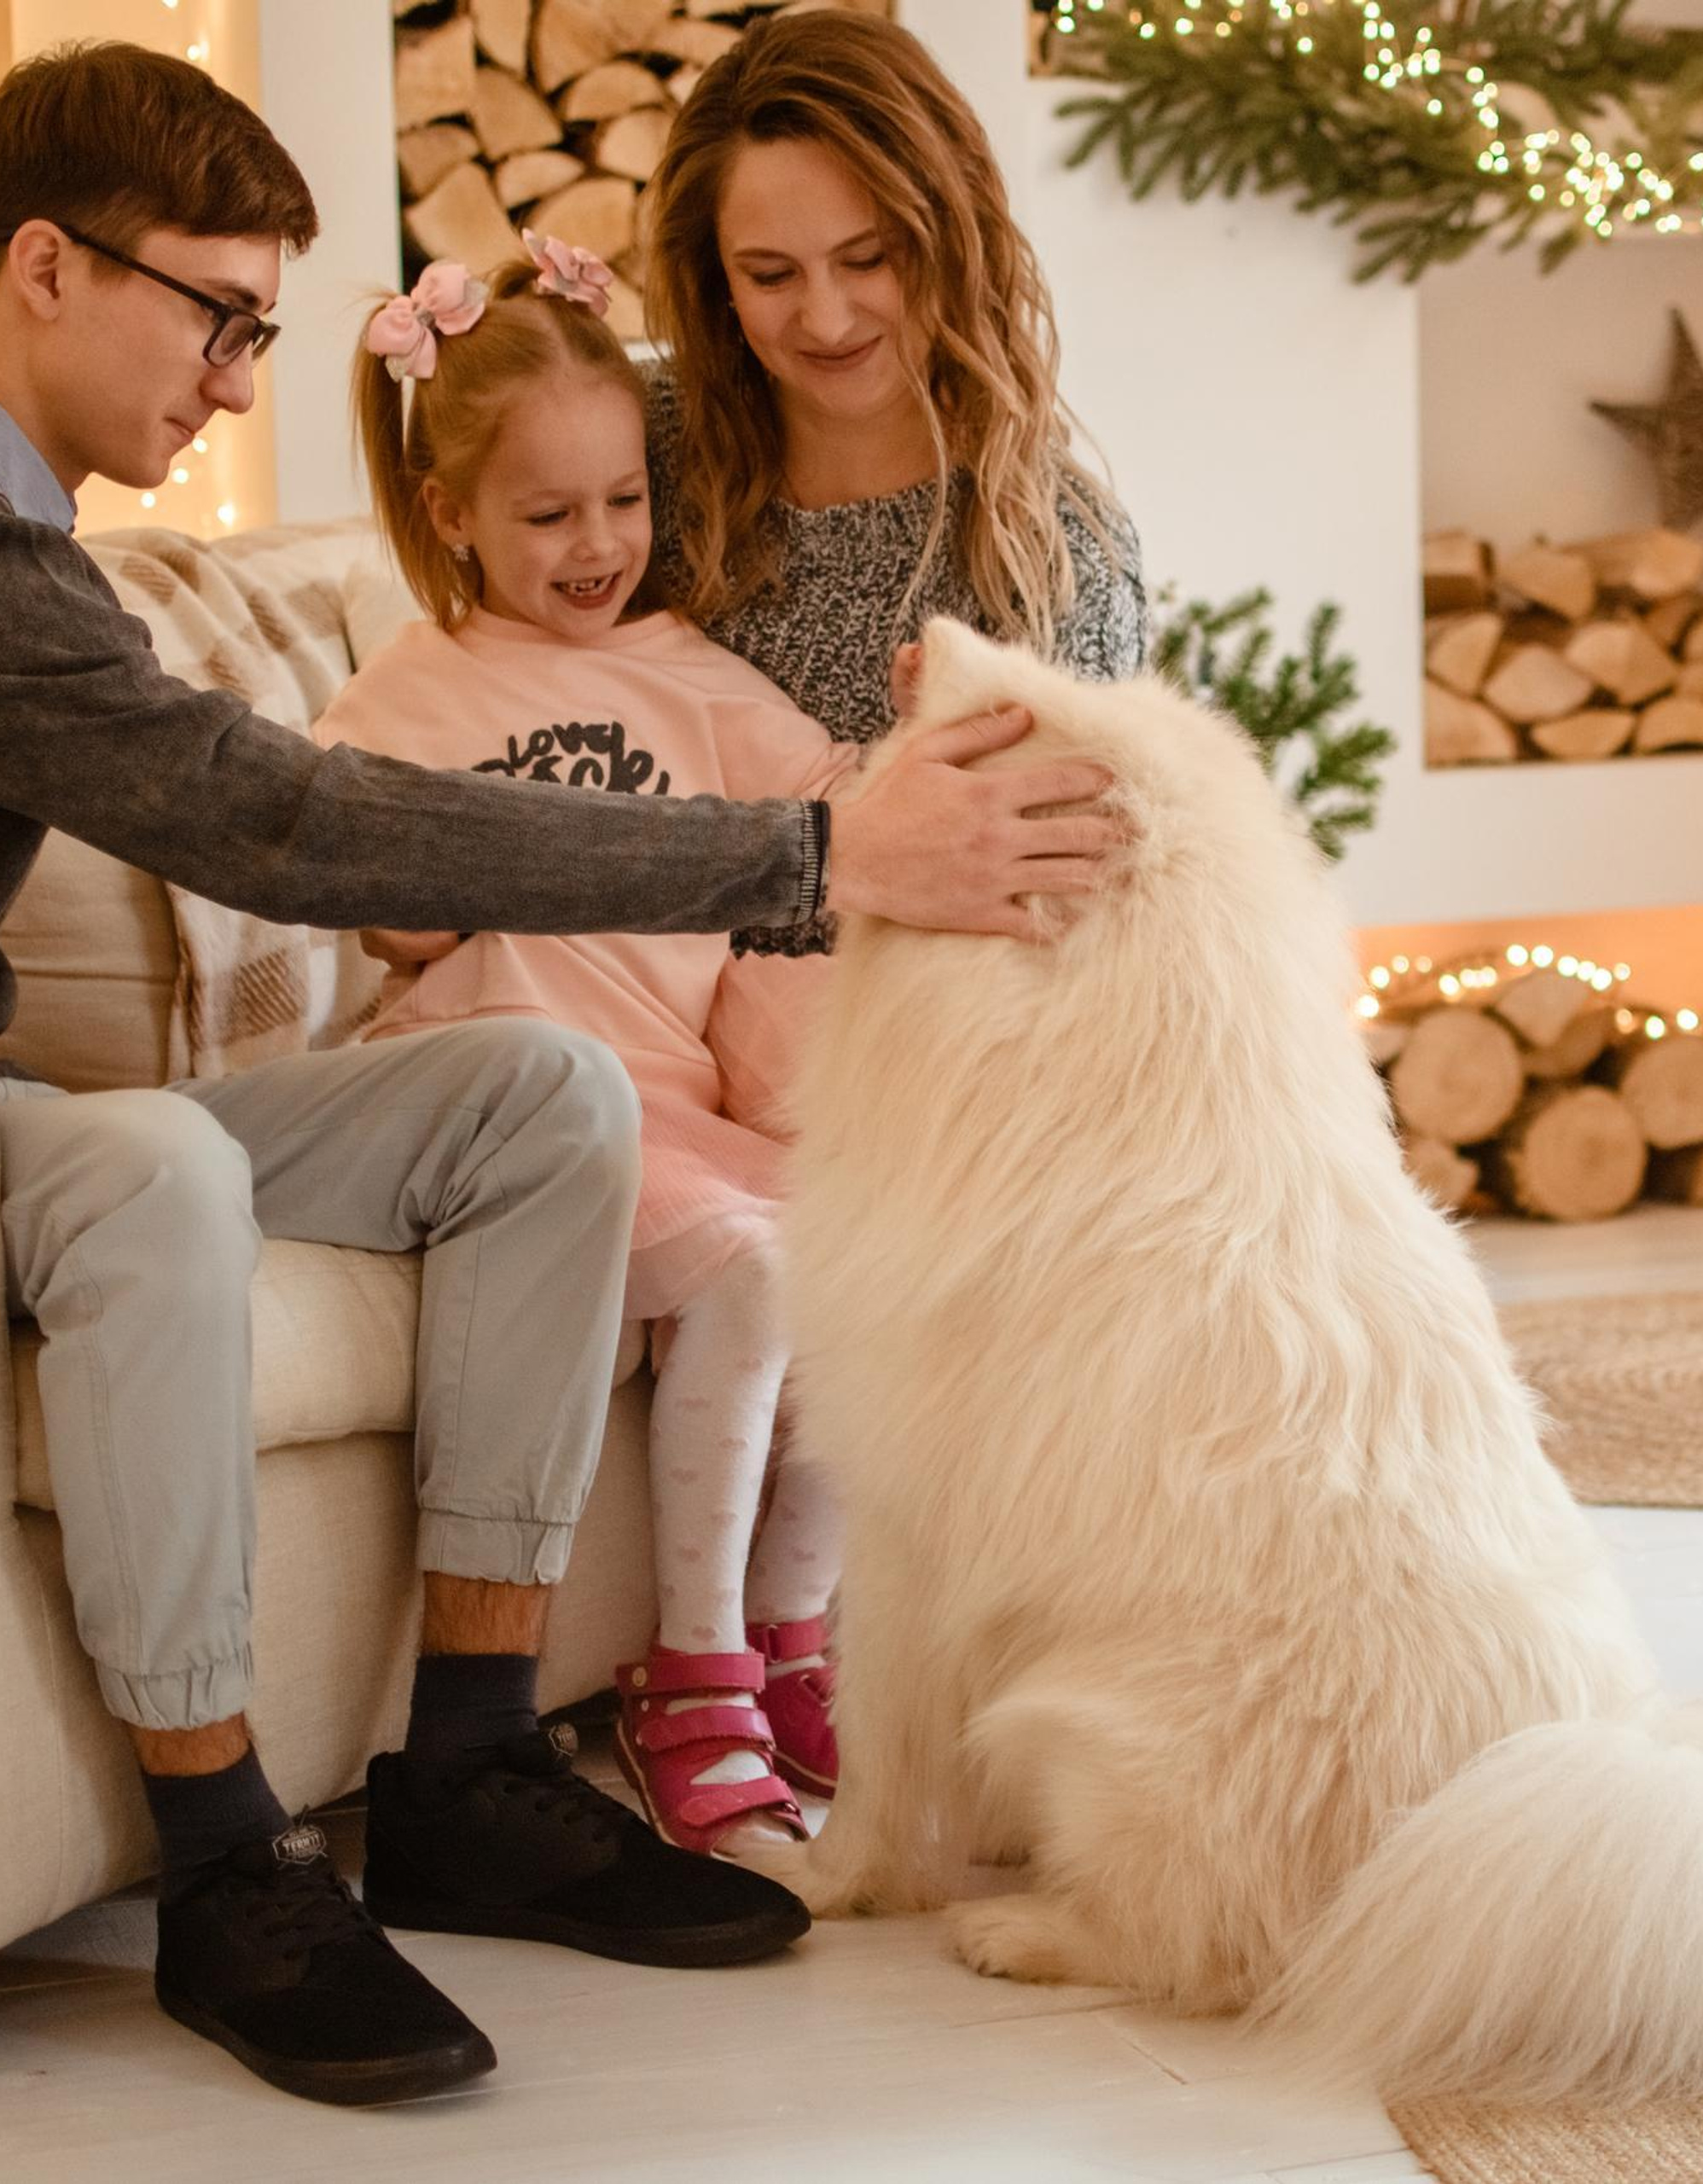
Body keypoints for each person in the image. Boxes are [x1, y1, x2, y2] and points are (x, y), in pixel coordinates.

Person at [0, 39, 1119, 2106]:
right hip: (54, 1140)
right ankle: (228, 1861)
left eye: (265, 330)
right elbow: (280, 817)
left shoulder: (46, 548)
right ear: (47, 270)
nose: (243, 382)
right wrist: (806, 849)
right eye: (219, 316)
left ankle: (471, 1754)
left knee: (540, 1086)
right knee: (149, 1160)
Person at [317, 235, 852, 1858]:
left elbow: (844, 813)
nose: (597, 544)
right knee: (759, 1278)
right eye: (547, 515)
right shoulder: (409, 695)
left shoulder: (697, 683)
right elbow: (369, 907)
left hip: (686, 1118)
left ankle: (790, 1632)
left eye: (622, 500)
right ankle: (688, 1675)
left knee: (874, 1262)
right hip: (532, 1135)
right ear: (450, 515)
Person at [642, 7, 1148, 763]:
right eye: (771, 274)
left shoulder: (1057, 558)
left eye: (869, 259)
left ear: (951, 238)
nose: (827, 320)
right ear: (717, 278)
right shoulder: (626, 452)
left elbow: (1078, 871)